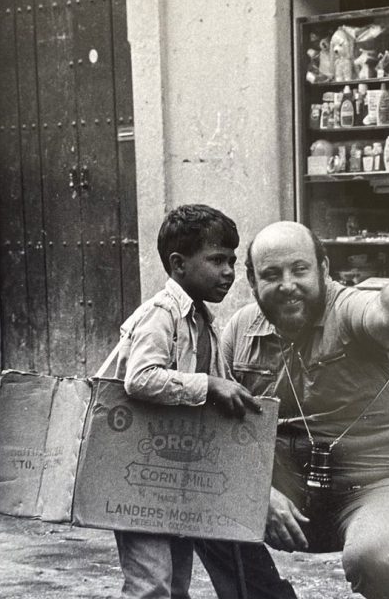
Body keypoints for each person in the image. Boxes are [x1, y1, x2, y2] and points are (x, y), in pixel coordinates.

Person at [195, 221, 389, 599]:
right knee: (192, 494)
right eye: (272, 275)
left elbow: (383, 310)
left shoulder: (348, 308)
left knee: (378, 555)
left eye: (300, 269)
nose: (288, 284)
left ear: (324, 269)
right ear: (252, 281)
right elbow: (221, 430)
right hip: (303, 503)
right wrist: (257, 492)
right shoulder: (240, 331)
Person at [113, 204, 261, 599]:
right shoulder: (162, 315)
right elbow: (140, 379)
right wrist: (209, 385)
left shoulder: (202, 321)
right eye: (216, 260)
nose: (228, 271)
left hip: (170, 470)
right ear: (179, 264)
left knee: (176, 582)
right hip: (135, 471)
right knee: (151, 583)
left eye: (232, 260)